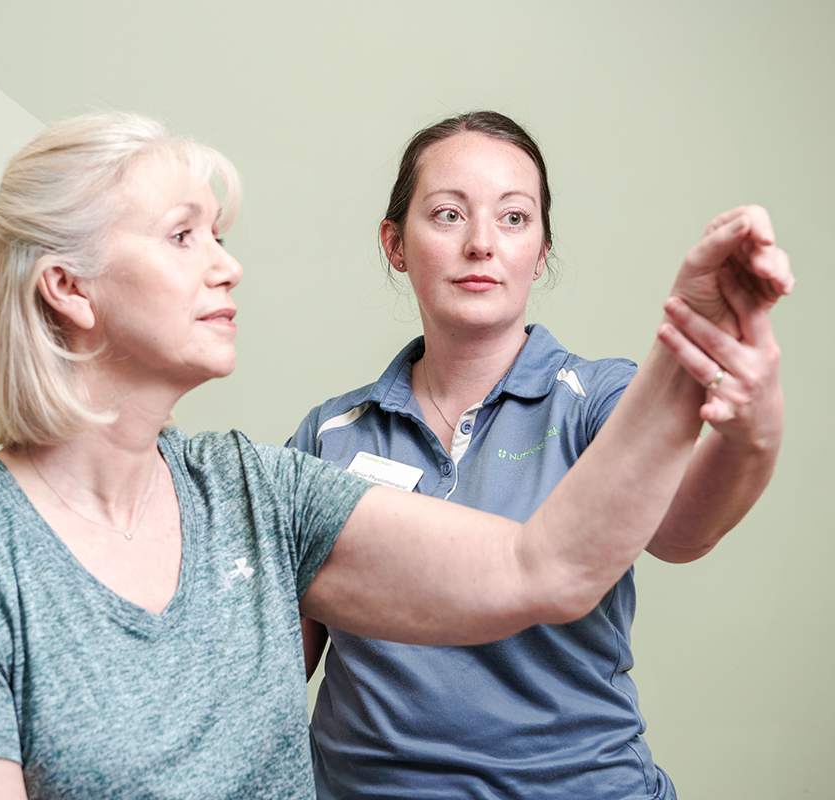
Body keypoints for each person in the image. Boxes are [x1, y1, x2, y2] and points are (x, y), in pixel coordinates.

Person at [0, 111, 791, 800]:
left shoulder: (259, 493)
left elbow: (545, 566)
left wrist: (691, 346)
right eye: (185, 235)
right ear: (68, 288)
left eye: (219, 236)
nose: (228, 265)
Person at [290, 111, 791, 799]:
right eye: (447, 215)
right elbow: (274, 667)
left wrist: (750, 433)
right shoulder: (329, 435)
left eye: (514, 219)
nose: (481, 244)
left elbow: (681, 531)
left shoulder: (600, 400)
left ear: (542, 251)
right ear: (395, 244)